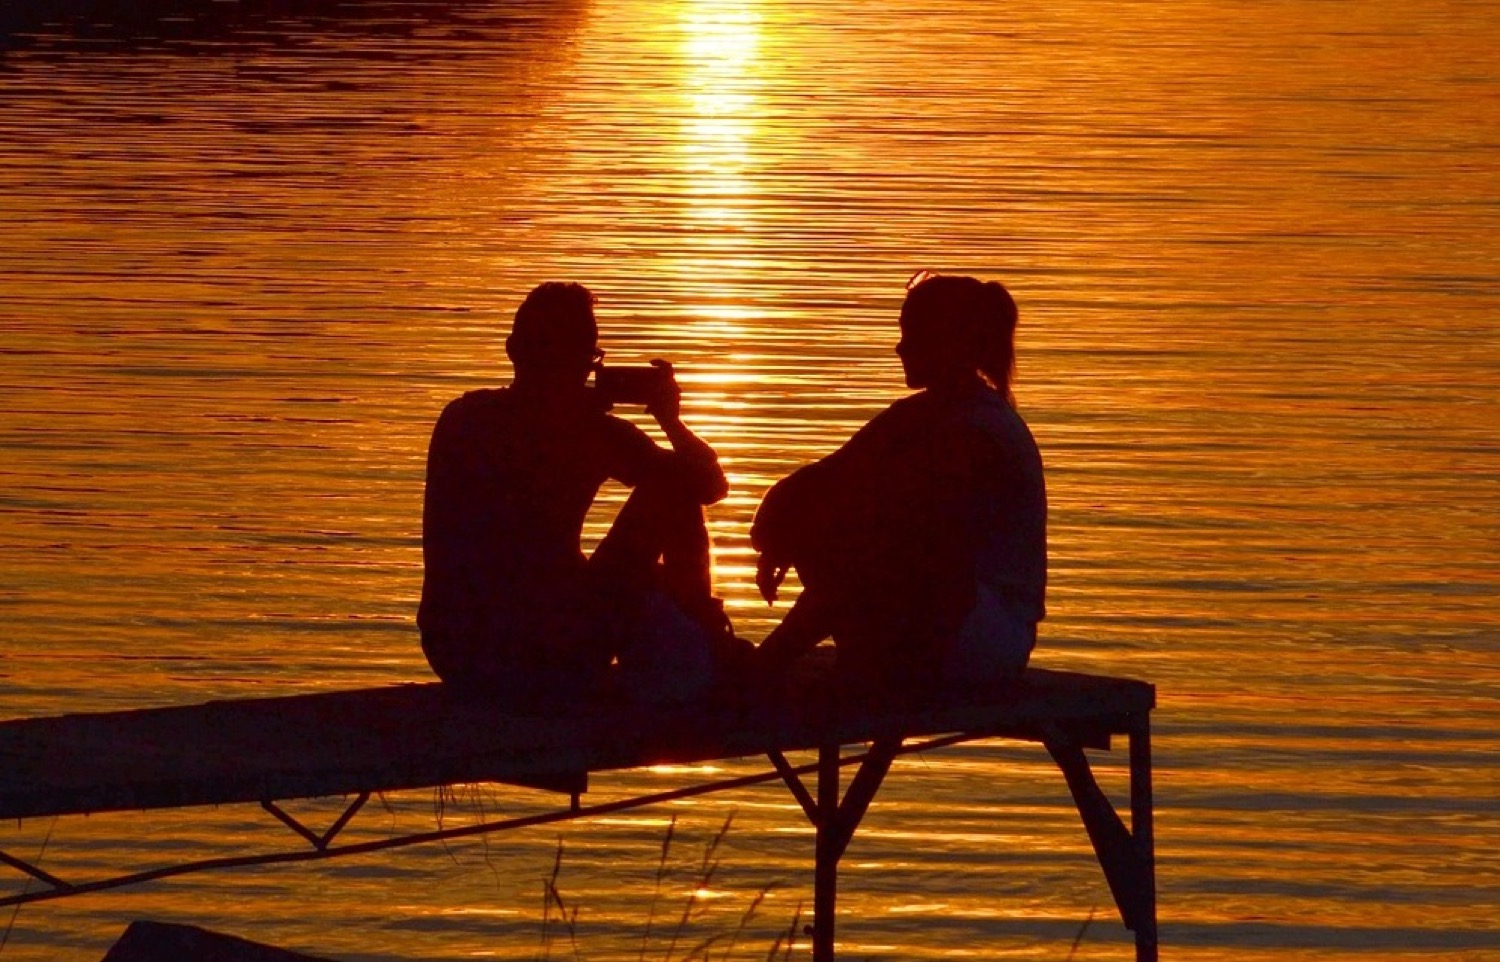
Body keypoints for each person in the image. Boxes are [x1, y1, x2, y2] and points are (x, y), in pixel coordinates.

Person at [418, 281, 736, 705]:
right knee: (672, 492)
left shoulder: (462, 418)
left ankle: (698, 637)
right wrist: (670, 420)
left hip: (456, 653)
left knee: (654, 545)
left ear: (513, 350)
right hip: (550, 657)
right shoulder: (591, 432)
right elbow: (707, 487)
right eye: (585, 357)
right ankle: (709, 638)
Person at [750, 271, 1046, 702]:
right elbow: (811, 484)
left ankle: (772, 661)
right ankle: (802, 660)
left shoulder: (981, 433)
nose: (900, 347)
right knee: (841, 522)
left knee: (869, 541)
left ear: (948, 341)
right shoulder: (913, 416)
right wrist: (779, 537)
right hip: (927, 620)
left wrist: (821, 524)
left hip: (985, 641)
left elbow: (908, 536)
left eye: (913, 335)